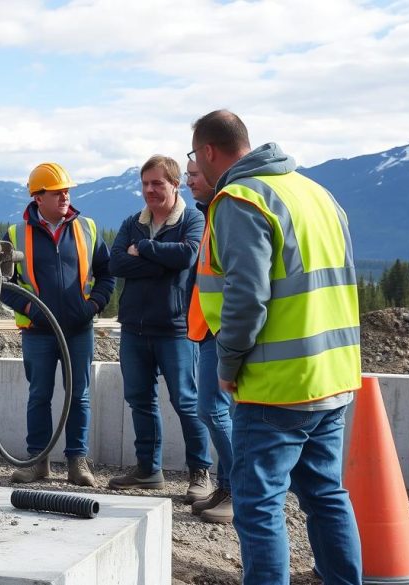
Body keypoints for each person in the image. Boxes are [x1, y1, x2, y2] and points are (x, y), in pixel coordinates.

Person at [190, 109, 362, 583]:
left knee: (258, 506)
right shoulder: (315, 193)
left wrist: (228, 362)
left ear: (208, 151)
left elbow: (246, 296)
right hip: (331, 377)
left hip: (276, 385)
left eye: (194, 157)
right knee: (326, 495)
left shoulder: (240, 199)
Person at [107, 155, 213, 505]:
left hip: (176, 329)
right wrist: (159, 263)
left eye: (158, 183)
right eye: (146, 183)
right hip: (134, 329)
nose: (150, 190)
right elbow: (117, 262)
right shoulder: (131, 222)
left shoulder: (193, 219)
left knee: (187, 402)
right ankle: (148, 470)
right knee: (140, 399)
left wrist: (147, 250)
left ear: (175, 184)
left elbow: (186, 257)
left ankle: (201, 472)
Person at [1, 162, 115, 487]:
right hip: (38, 332)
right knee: (39, 395)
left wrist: (93, 306)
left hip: (79, 330)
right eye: (57, 191)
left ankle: (78, 463)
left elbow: (107, 274)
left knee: (79, 395)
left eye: (67, 190)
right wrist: (30, 308)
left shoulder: (88, 229)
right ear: (39, 198)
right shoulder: (15, 235)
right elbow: (1, 283)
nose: (65, 195)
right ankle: (37, 461)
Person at [185, 160, 234, 524]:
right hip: (207, 330)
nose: (189, 181)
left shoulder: (228, 213)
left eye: (194, 174)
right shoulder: (212, 212)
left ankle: (238, 490)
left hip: (221, 331)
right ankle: (228, 484)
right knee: (215, 411)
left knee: (214, 411)